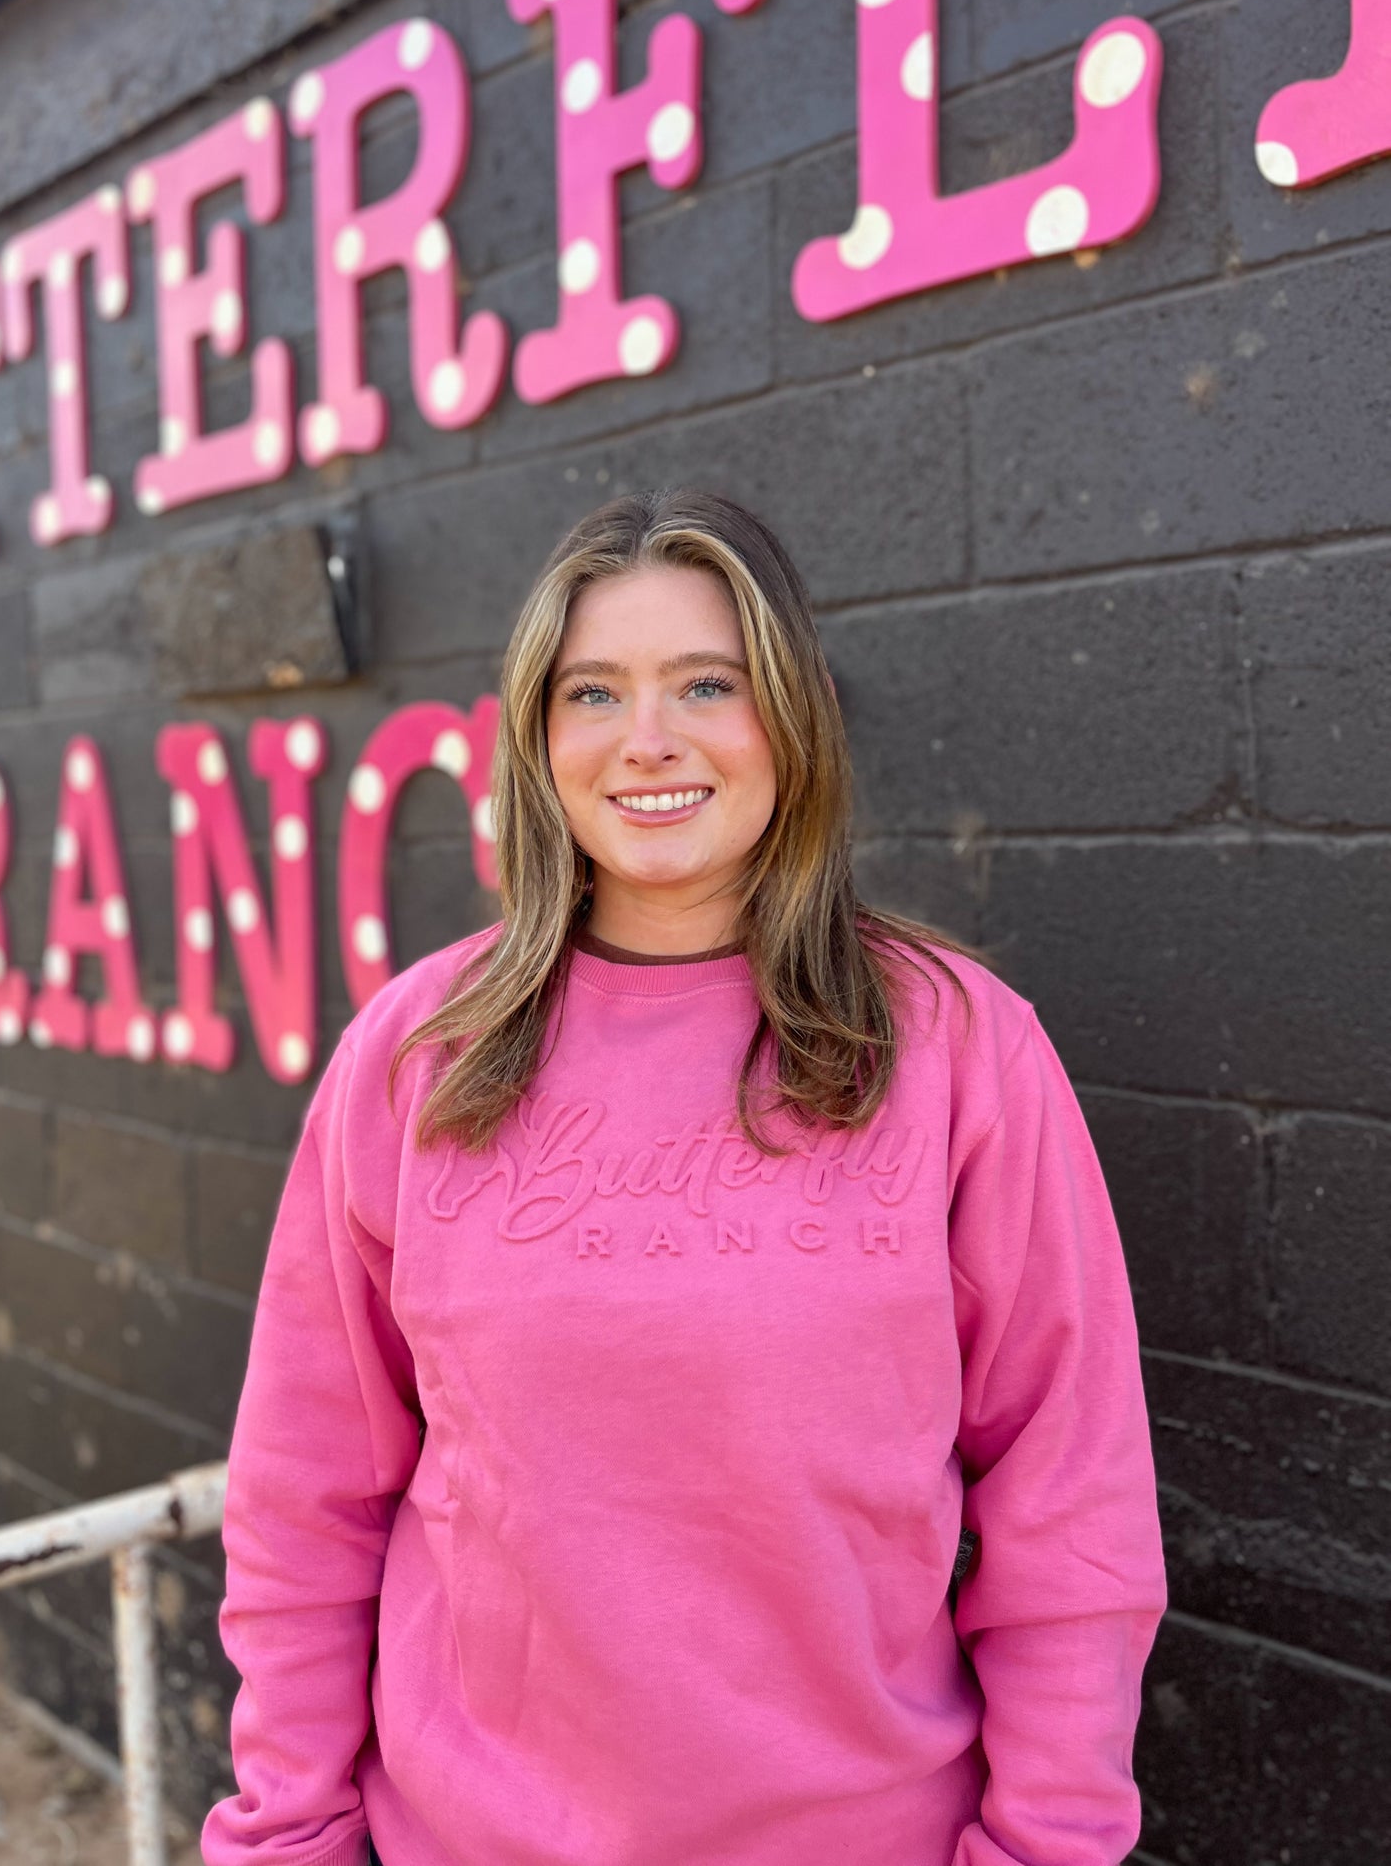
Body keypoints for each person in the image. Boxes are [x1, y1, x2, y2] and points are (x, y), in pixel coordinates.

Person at [201, 487, 1166, 1866]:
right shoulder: (417, 1052)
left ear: (788, 716)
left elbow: (1069, 1507)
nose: (644, 740)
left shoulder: (958, 1047)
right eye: (592, 692)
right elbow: (306, 1491)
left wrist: (1044, 1849)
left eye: (704, 683)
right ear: (538, 738)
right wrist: (285, 1836)